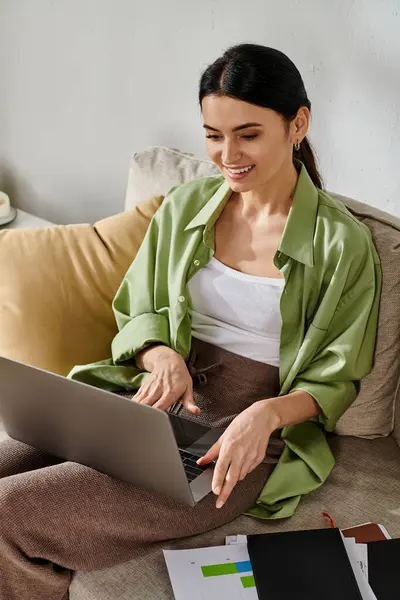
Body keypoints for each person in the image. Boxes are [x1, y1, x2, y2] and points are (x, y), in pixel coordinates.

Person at [0, 43, 380, 599]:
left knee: (12, 513)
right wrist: (163, 356)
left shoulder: (341, 244)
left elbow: (335, 378)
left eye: (248, 134)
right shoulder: (185, 206)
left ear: (298, 124)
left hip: (241, 444)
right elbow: (140, 307)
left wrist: (265, 415)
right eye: (213, 134)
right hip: (149, 409)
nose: (228, 155)